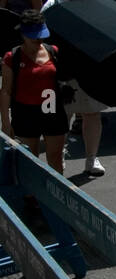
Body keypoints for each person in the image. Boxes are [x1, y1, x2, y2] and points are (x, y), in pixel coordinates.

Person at [1, 12, 69, 175]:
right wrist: (5, 122)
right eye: (34, 37)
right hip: (25, 112)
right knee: (31, 159)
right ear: (23, 34)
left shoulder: (53, 51)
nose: (38, 40)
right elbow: (6, 91)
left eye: (41, 36)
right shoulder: (13, 57)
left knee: (55, 157)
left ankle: (57, 196)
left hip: (51, 107)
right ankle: (31, 197)